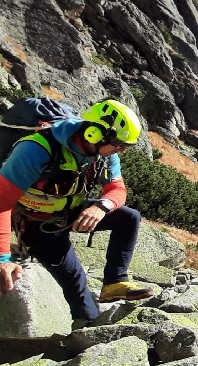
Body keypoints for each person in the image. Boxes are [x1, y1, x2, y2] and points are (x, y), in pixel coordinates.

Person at [0, 99, 153, 324]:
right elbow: (2, 202)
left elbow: (117, 190)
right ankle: (84, 335)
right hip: (38, 224)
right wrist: (3, 258)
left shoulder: (105, 155)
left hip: (69, 210)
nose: (120, 151)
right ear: (94, 133)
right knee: (75, 281)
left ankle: (114, 283)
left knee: (129, 217)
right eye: (119, 144)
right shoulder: (36, 150)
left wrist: (101, 207)